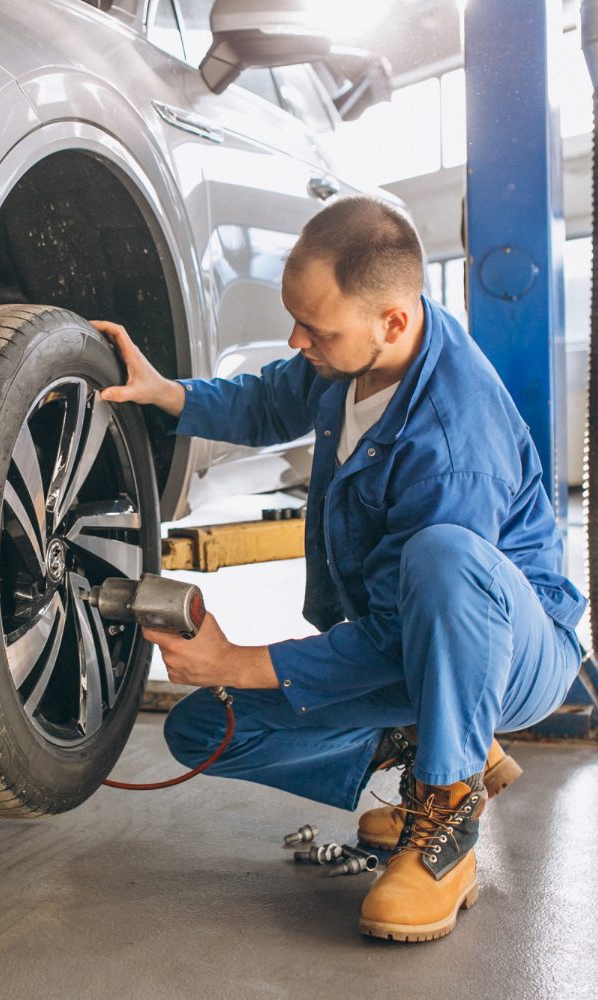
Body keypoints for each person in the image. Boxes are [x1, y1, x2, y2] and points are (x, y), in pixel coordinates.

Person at [90, 195, 585, 943]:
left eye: (314, 329)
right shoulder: (352, 356)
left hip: (516, 650)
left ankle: (446, 820)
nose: (297, 339)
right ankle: (435, 748)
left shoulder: (455, 440)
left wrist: (240, 658)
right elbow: (265, 403)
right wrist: (169, 395)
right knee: (206, 730)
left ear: (391, 320)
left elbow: (398, 635)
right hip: (418, 640)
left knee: (442, 554)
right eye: (296, 319)